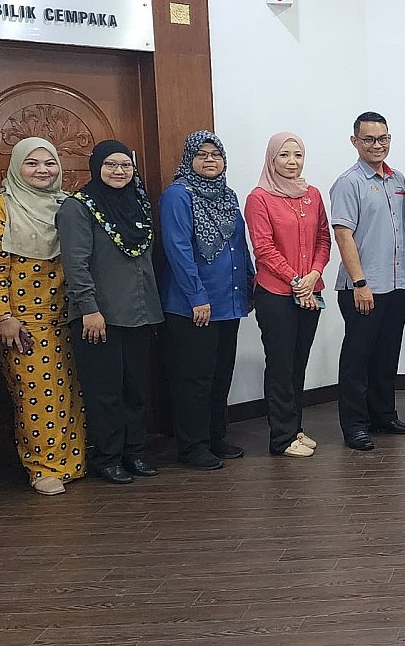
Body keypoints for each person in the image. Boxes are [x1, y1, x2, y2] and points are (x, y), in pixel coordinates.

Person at [0, 137, 86, 495]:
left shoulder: (67, 204)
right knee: (36, 394)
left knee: (72, 391)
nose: (42, 170)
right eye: (32, 163)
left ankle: (73, 463)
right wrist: (2, 316)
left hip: (68, 313)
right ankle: (42, 468)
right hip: (23, 319)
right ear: (16, 166)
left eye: (49, 163)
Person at [58, 140, 163, 484]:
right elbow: (75, 262)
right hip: (98, 316)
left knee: (136, 389)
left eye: (125, 165)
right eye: (111, 165)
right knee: (106, 392)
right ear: (96, 167)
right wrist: (89, 308)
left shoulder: (138, 203)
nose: (119, 171)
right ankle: (108, 458)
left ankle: (135, 452)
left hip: (140, 312)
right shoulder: (78, 207)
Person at [159, 130, 253, 470]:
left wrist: (248, 284)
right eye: (202, 154)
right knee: (194, 378)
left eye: (216, 154)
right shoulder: (178, 195)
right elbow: (178, 248)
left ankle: (215, 437)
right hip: (193, 305)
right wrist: (197, 296)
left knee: (219, 374)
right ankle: (192, 446)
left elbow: (239, 245)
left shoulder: (227, 195)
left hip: (229, 300)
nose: (210, 160)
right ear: (189, 159)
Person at [329, 111, 405, 452]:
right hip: (363, 287)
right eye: (369, 139)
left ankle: (383, 416)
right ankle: (355, 425)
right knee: (357, 359)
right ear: (355, 141)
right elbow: (343, 235)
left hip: (397, 285)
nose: (377, 145)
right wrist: (359, 282)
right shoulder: (348, 182)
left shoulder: (398, 180)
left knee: (386, 356)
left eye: (383, 138)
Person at [245, 131, 330, 457]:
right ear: (272, 158)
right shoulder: (259, 198)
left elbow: (324, 239)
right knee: (280, 366)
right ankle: (281, 438)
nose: (292, 162)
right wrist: (297, 280)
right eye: (284, 155)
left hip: (310, 290)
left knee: (298, 364)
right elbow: (263, 248)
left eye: (297, 155)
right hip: (276, 293)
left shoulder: (312, 194)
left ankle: (295, 429)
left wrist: (314, 275)